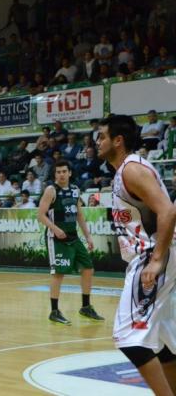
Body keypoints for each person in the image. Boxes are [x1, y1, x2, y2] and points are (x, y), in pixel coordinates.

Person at [97, 115, 176, 395]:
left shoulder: (132, 170)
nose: (97, 142)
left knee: (129, 338)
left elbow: (168, 210)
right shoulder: (124, 171)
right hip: (153, 254)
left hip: (154, 254)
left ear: (118, 140)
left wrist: (156, 261)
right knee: (163, 342)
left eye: (102, 137)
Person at [37, 160, 104, 325]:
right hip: (56, 238)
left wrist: (88, 236)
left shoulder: (75, 190)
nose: (61, 174)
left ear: (69, 173)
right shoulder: (51, 190)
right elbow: (40, 215)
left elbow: (79, 214)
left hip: (73, 236)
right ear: (55, 174)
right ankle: (54, 311)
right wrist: (55, 229)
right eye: (58, 172)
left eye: (64, 171)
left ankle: (86, 307)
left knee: (88, 268)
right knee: (58, 273)